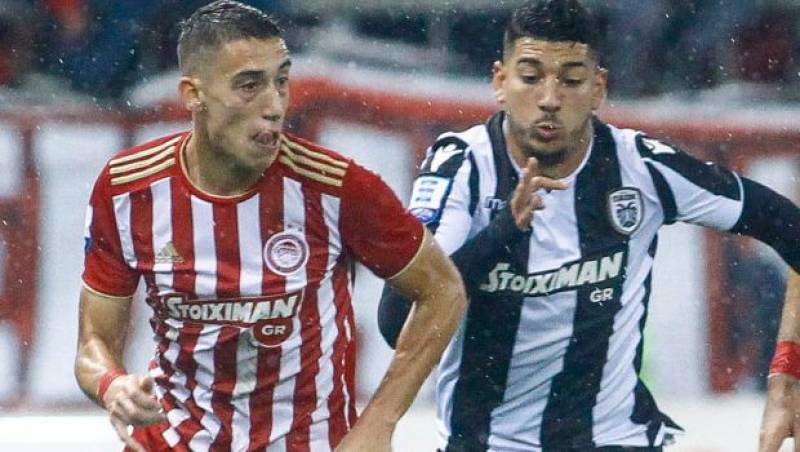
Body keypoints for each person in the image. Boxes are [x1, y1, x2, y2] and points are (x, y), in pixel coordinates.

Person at [377, 1, 800, 450]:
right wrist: (502, 234)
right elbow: (395, 323)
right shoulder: (461, 167)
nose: (549, 99)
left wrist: (786, 379)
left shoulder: (641, 167)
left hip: (614, 441)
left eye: (571, 80)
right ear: (500, 82)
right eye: (531, 77)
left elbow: (790, 229)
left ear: (598, 88)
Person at [73, 1, 467, 451]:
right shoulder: (128, 189)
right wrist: (113, 385)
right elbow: (93, 344)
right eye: (249, 85)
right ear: (193, 94)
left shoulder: (337, 187)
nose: (275, 105)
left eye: (281, 81)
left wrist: (380, 421)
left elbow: (442, 289)